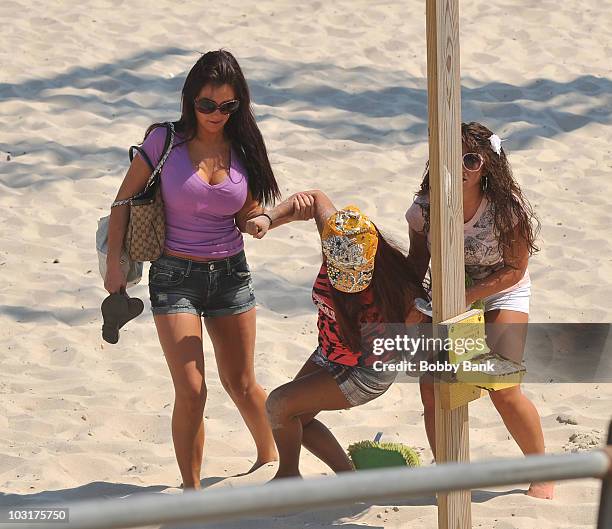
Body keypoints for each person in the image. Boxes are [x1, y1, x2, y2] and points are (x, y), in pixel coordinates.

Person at [104, 50, 300, 490]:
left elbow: (247, 211)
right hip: (174, 277)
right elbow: (121, 203)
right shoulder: (163, 141)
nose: (216, 114)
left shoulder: (244, 148)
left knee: (243, 382)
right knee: (192, 390)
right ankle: (191, 493)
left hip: (231, 274)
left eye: (228, 106)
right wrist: (116, 264)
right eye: (207, 104)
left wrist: (259, 220)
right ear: (190, 100)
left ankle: (269, 460)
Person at [405, 121, 552, 499]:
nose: (461, 168)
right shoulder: (425, 208)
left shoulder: (507, 210)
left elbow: (516, 270)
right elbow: (416, 264)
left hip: (501, 290)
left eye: (470, 160)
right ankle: (450, 479)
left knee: (502, 385)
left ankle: (542, 472)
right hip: (447, 292)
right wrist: (412, 306)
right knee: (433, 390)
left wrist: (469, 295)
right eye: (451, 159)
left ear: (486, 164)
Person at [246, 190, 428, 479]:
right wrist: (270, 218)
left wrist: (409, 327)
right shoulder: (336, 236)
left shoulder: (397, 288)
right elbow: (315, 199)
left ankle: (288, 477)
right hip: (329, 352)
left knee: (279, 405)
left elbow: (429, 332)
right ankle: (349, 481)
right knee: (294, 419)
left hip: (366, 369)